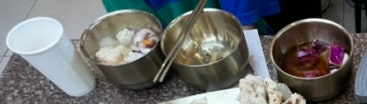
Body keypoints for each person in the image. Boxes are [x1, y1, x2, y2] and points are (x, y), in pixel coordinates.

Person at [101, 0, 281, 30]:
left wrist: (244, 27)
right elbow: (133, 22)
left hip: (239, 29)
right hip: (167, 48)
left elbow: (244, 15)